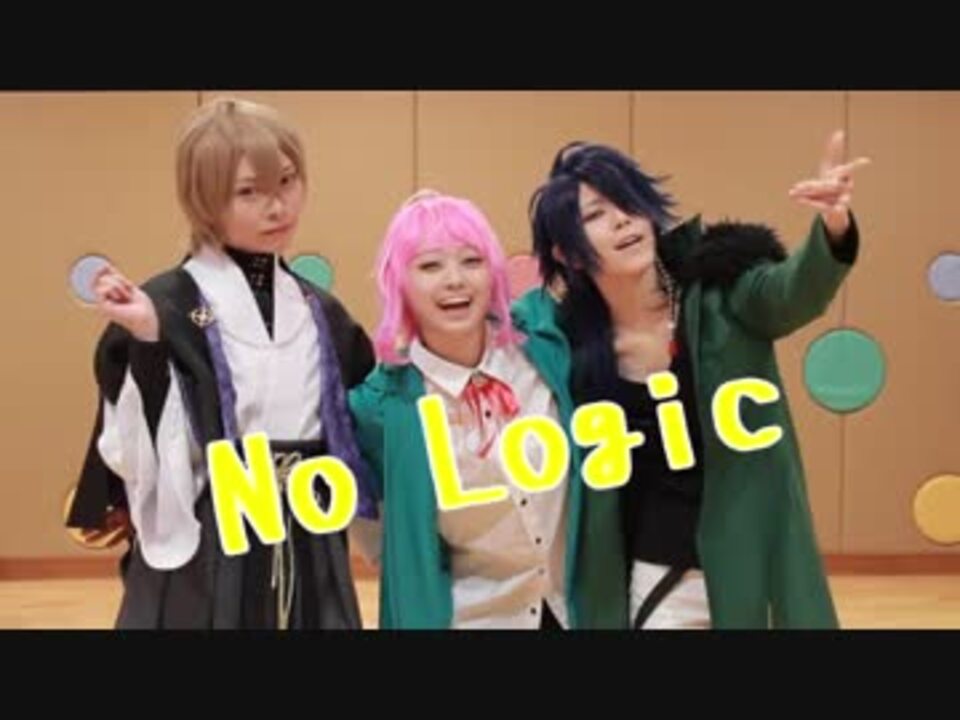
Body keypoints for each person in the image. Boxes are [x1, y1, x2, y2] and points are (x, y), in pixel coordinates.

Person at [524, 131, 869, 629]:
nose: (622, 219)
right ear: (568, 254)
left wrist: (834, 226)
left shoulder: (721, 291)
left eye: (626, 200)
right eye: (595, 215)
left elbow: (792, 291)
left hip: (751, 560)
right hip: (656, 571)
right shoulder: (568, 347)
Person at [64, 97, 376, 629]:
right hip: (214, 533)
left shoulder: (321, 310)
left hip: (309, 524)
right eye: (248, 192)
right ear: (203, 200)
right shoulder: (165, 305)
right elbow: (137, 444)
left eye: (287, 182)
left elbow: (362, 414)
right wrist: (149, 341)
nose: (277, 207)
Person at [347, 190, 627, 629]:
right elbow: (381, 538)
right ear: (399, 282)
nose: (455, 280)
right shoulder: (380, 408)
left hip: (576, 610)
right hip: (473, 617)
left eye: (471, 261)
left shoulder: (545, 348)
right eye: (430, 266)